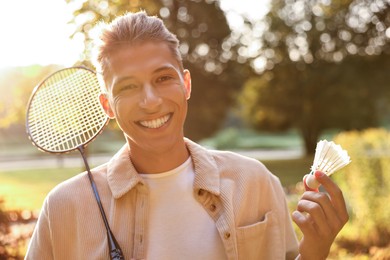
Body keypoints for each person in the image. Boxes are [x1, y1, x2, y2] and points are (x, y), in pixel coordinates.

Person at [25, 11, 348, 260]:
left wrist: (315, 248)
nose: (150, 100)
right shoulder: (64, 208)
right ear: (108, 105)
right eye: (128, 86)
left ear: (187, 85)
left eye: (163, 78)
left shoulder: (255, 182)